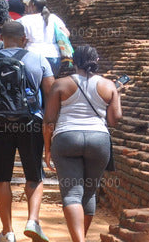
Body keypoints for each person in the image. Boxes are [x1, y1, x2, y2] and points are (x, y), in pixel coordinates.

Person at [0, 20, 55, 242]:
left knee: (2, 179)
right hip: (31, 125)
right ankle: (33, 221)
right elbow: (52, 97)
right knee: (34, 176)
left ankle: (7, 231)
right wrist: (50, 129)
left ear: (1, 39)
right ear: (24, 38)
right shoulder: (39, 60)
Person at [43, 45, 122, 242]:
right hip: (98, 140)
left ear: (74, 62)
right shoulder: (108, 85)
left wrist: (47, 148)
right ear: (96, 62)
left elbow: (49, 120)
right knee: (89, 192)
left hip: (67, 138)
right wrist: (116, 94)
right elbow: (114, 120)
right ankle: (81, 238)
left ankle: (79, 240)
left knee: (71, 194)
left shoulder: (61, 84)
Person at [21, 0, 72, 74]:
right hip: (53, 55)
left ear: (33, 6)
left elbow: (23, 38)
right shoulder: (54, 18)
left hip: (32, 55)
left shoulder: (25, 20)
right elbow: (66, 33)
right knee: (50, 83)